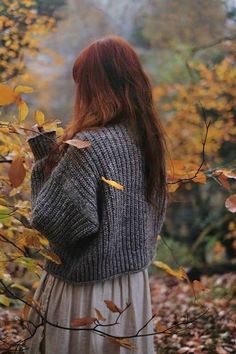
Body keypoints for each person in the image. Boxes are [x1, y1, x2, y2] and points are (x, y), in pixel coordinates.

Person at [25, 35, 169, 354]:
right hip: (131, 288)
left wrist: (44, 161)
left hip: (84, 293)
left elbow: (56, 223)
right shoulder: (147, 139)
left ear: (93, 87)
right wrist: (54, 158)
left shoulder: (89, 147)